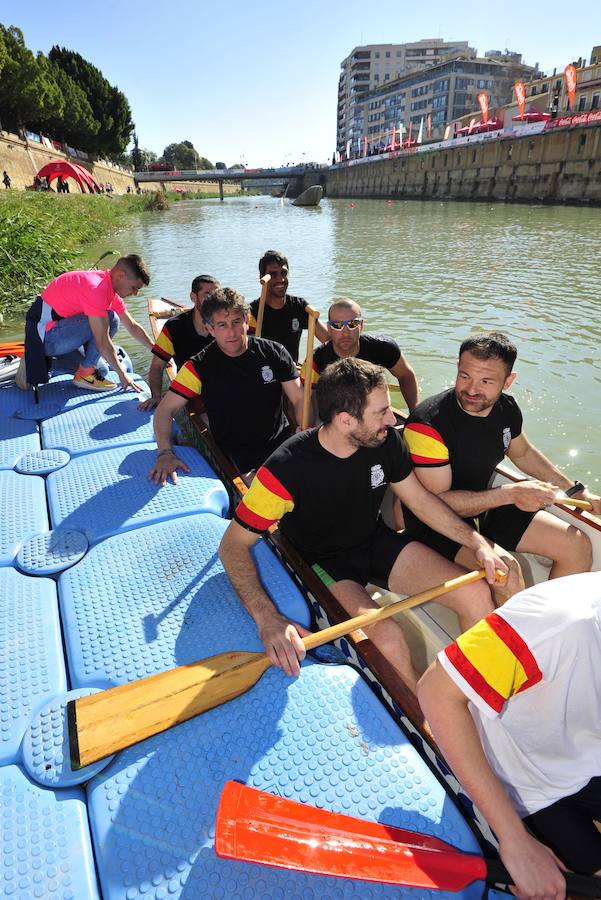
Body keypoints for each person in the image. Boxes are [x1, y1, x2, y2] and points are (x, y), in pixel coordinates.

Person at [219, 358, 507, 690]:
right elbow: (232, 546)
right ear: (345, 420)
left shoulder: (385, 441)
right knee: (388, 640)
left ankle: (478, 691)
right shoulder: (284, 470)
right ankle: (432, 726)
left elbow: (420, 501)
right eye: (382, 412)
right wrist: (266, 618)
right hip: (323, 562)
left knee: (473, 592)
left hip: (372, 541)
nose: (392, 418)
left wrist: (477, 543)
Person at [418, 572, 601, 897]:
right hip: (520, 786)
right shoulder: (558, 620)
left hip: (584, 764)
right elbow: (436, 691)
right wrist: (515, 840)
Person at [402, 332, 600, 595]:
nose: (472, 389)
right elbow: (437, 502)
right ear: (457, 369)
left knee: (577, 545)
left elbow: (523, 454)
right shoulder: (427, 425)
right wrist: (510, 494)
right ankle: (514, 635)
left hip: (484, 508)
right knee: (506, 572)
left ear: (508, 381)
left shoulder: (506, 408)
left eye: (486, 381)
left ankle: (548, 628)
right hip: (434, 523)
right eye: (465, 376)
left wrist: (574, 490)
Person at [148, 287, 305, 483]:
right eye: (222, 325)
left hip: (281, 443)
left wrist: (304, 426)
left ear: (247, 321)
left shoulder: (274, 352)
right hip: (238, 457)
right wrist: (165, 453)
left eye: (236, 322)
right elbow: (164, 411)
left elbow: (299, 399)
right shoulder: (197, 367)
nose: (231, 332)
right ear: (210, 329)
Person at [17, 254, 152, 393]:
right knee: (111, 318)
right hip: (44, 337)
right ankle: (79, 371)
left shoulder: (108, 288)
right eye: (134, 287)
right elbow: (102, 341)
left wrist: (157, 351)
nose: (135, 293)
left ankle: (39, 363)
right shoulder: (96, 288)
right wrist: (123, 375)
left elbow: (133, 326)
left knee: (101, 371)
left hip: (57, 336)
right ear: (120, 276)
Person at [301, 298, 419, 411]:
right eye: (337, 325)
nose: (345, 332)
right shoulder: (315, 360)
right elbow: (308, 403)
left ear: (361, 325)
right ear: (329, 328)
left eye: (352, 324)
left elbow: (406, 375)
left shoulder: (384, 347)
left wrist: (414, 412)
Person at [138, 274, 219, 411]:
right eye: (207, 295)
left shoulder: (224, 324)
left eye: (216, 295)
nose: (214, 301)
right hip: (190, 389)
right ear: (193, 297)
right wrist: (156, 396)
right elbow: (157, 366)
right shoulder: (174, 327)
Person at [248, 250, 329, 363]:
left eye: (283, 273)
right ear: (262, 278)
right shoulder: (251, 313)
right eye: (273, 274)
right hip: (265, 375)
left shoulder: (299, 306)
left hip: (292, 374)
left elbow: (327, 340)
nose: (280, 279)